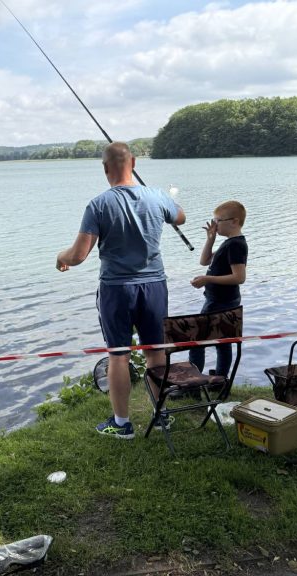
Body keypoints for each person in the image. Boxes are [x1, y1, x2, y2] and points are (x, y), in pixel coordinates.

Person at [56, 141, 186, 440]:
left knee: (118, 355)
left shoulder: (98, 205)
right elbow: (180, 216)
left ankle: (122, 423)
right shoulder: (156, 196)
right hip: (154, 286)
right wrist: (164, 202)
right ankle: (161, 415)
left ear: (105, 169)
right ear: (135, 163)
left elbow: (77, 256)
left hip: (116, 289)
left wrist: (60, 258)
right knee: (155, 351)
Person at [189, 200, 248, 377]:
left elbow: (239, 277)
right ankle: (220, 378)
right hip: (219, 300)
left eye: (217, 221)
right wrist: (210, 239)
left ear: (234, 221)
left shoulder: (236, 245)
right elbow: (204, 261)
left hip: (220, 302)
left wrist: (207, 279)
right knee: (222, 341)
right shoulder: (228, 243)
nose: (213, 225)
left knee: (197, 340)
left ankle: (194, 379)